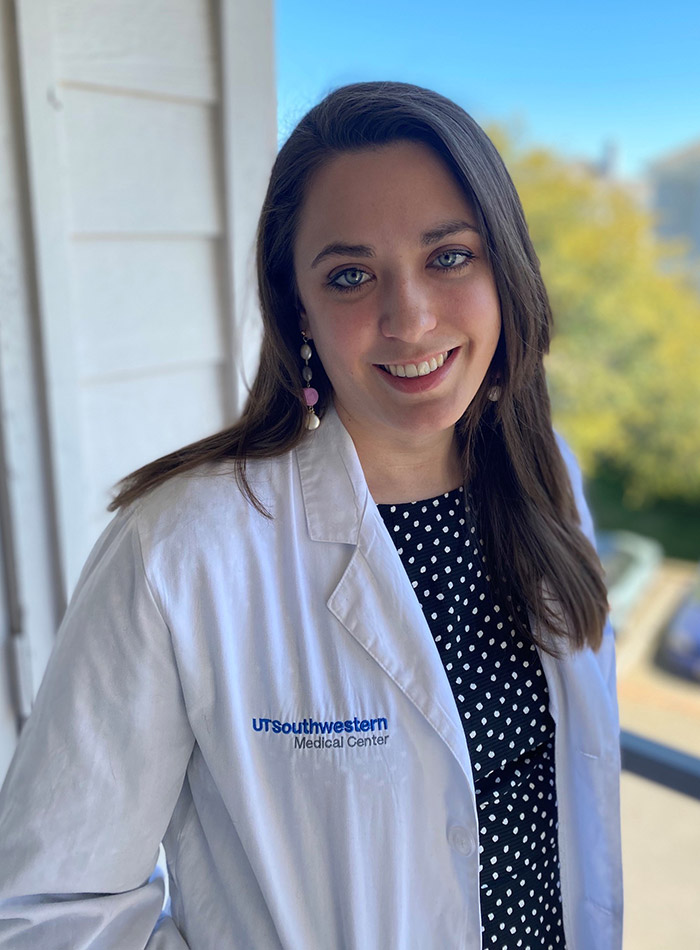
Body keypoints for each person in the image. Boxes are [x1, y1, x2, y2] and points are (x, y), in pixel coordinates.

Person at [0, 81, 622, 949]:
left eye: (449, 256)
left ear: (506, 270)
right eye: (351, 275)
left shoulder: (548, 476)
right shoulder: (181, 548)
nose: (410, 318)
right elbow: (44, 912)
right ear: (298, 309)